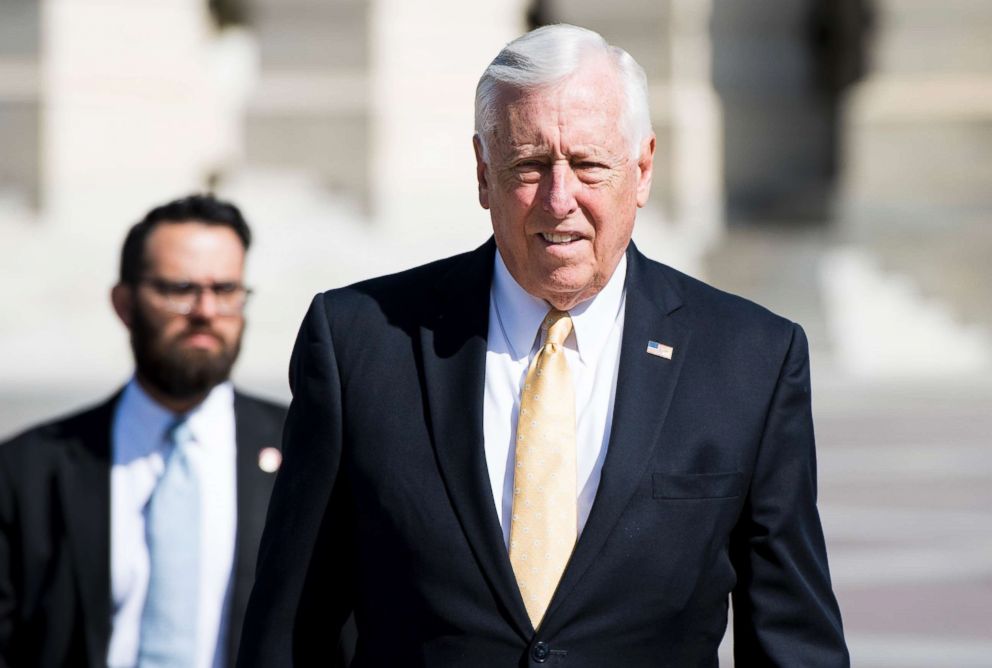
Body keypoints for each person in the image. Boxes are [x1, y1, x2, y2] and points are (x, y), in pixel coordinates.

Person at [239, 24, 849, 666]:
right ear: (482, 173)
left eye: (589, 165)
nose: (560, 201)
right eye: (528, 166)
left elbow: (791, 636)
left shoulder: (750, 358)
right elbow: (291, 627)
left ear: (641, 170)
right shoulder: (359, 340)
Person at [0, 195, 286, 668]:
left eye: (227, 289)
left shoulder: (306, 453)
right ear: (124, 303)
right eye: (180, 288)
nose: (205, 310)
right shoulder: (27, 470)